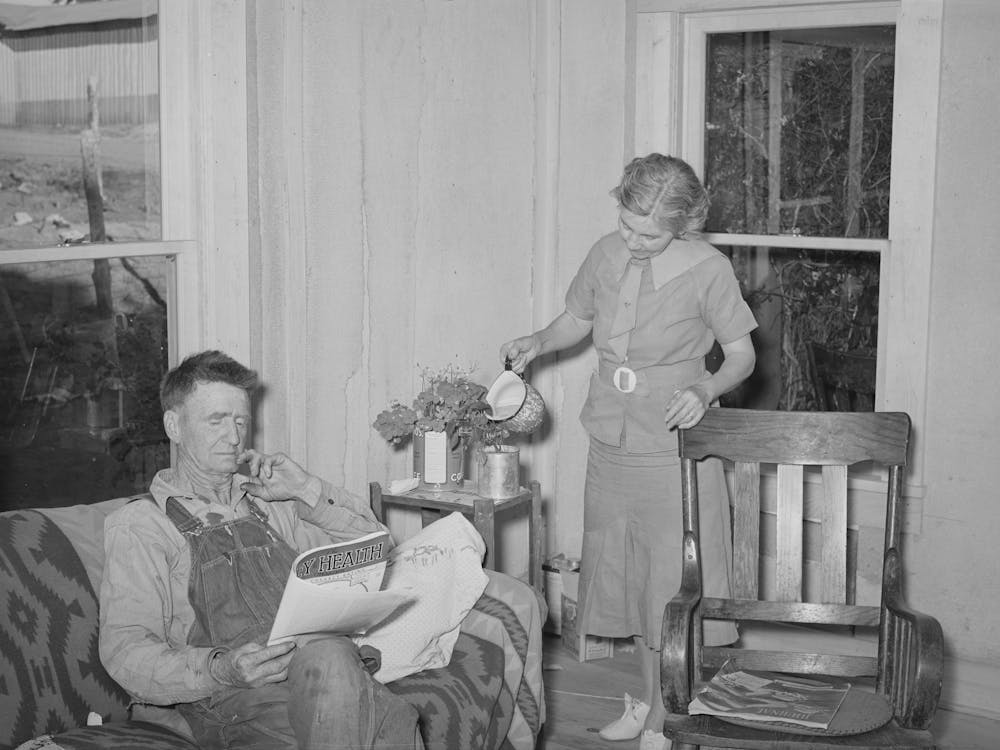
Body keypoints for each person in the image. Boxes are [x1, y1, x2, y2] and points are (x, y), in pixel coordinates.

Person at [501, 153, 756, 750]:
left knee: (669, 587)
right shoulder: (605, 253)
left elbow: (741, 354)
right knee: (627, 581)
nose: (635, 241)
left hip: (673, 444)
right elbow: (576, 318)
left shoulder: (709, 269)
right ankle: (648, 702)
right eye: (627, 225)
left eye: (652, 234)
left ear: (685, 225)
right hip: (610, 441)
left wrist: (706, 385)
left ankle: (667, 718)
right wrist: (538, 340)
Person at [99, 350, 423, 750]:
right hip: (227, 696)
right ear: (174, 425)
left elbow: (374, 546)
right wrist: (221, 669)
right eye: (216, 420)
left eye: (240, 421)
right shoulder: (142, 526)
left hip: (317, 673)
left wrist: (305, 488)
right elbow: (125, 651)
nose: (234, 437)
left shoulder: (270, 503)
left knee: (368, 694)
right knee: (370, 715)